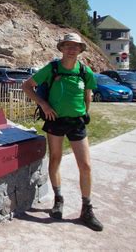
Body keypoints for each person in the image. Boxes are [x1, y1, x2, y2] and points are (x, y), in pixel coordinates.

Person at [21, 33, 103, 231]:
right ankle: (58, 200)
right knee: (55, 159)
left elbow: (88, 94)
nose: (72, 49)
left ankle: (87, 208)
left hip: (77, 122)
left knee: (86, 165)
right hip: (55, 120)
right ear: (62, 48)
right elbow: (27, 86)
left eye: (75, 46)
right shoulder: (52, 68)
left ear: (80, 50)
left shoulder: (85, 71)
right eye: (68, 45)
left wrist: (85, 112)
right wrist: (44, 104)